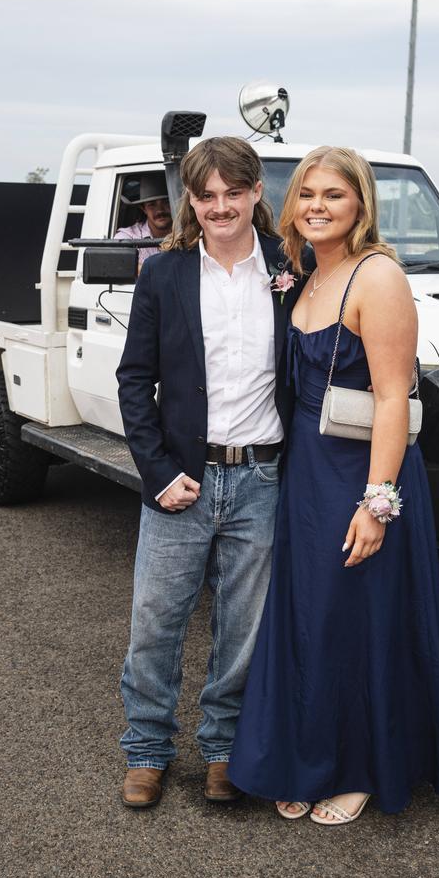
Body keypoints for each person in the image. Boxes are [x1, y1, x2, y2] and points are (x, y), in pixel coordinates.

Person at [228, 146, 439, 824]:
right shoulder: (304, 273)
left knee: (356, 620)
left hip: (360, 473)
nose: (316, 207)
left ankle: (361, 768)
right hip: (305, 470)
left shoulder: (377, 276)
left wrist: (378, 503)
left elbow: (395, 398)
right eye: (306, 194)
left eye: (333, 195)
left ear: (360, 203)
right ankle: (307, 756)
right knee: (308, 617)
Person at [116, 137, 301, 809]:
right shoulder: (163, 275)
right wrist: (159, 472)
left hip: (261, 479)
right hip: (180, 483)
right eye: (207, 196)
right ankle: (146, 751)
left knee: (243, 629)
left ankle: (224, 748)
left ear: (256, 192)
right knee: (154, 623)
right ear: (191, 202)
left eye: (234, 192)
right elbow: (135, 382)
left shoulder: (291, 266)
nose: (221, 207)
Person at [114, 173, 173, 269]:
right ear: (143, 208)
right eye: (152, 205)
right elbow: (116, 260)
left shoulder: (187, 233)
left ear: (174, 204)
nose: (160, 210)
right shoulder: (129, 236)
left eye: (166, 202)